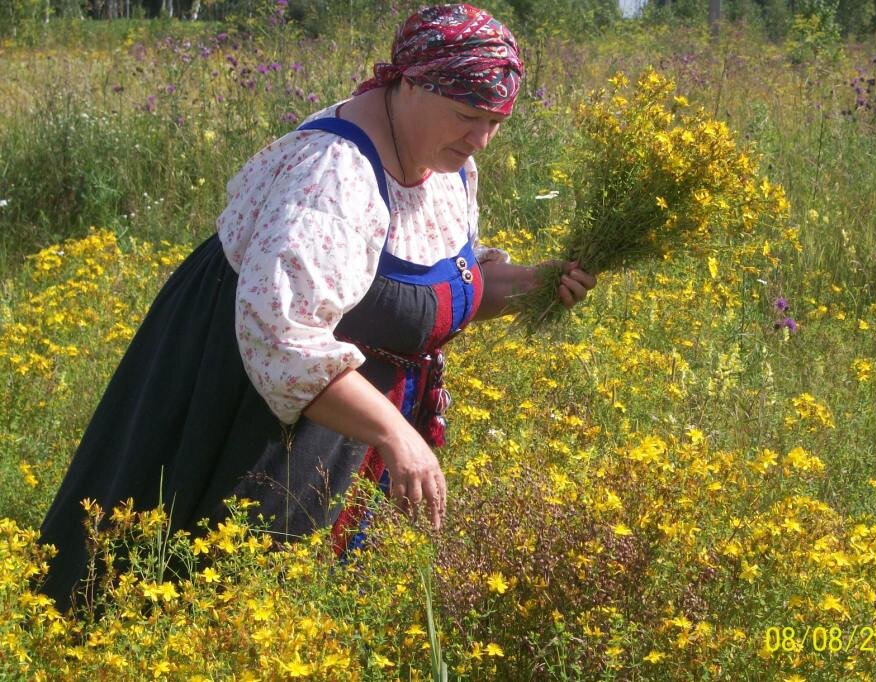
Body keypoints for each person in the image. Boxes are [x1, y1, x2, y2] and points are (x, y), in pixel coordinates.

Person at [37, 4, 596, 611]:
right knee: (200, 595)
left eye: (495, 121)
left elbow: (439, 290)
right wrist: (394, 434)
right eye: (467, 115)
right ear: (409, 82)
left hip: (354, 428)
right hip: (252, 414)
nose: (480, 138)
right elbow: (282, 340)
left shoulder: (447, 166)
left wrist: (535, 284)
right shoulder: (331, 177)